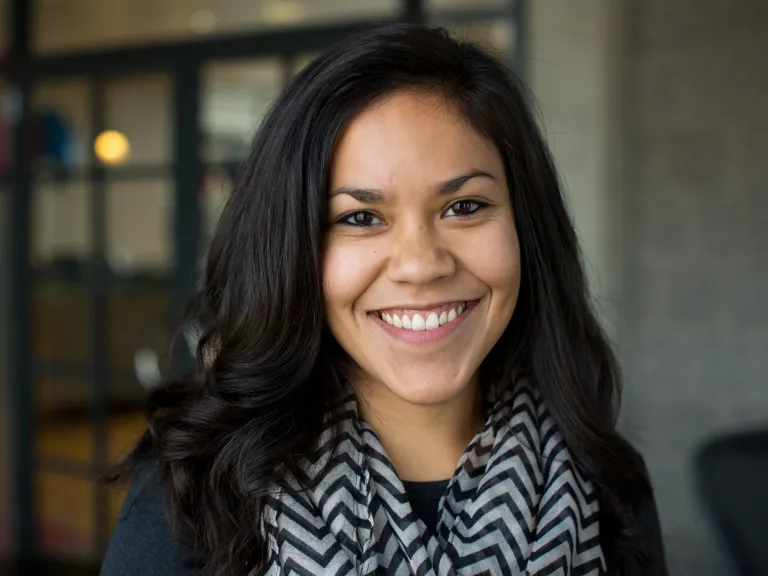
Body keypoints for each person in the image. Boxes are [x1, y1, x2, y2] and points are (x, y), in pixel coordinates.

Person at [101, 24, 668, 576]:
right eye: (361, 217)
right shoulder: (198, 491)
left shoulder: (604, 482)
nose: (421, 264)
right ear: (294, 250)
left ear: (526, 227)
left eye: (465, 207)